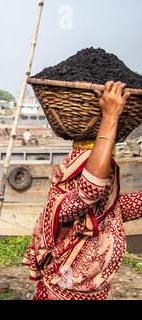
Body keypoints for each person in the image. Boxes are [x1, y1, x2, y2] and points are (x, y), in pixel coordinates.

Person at [23, 81, 142, 300]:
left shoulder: (99, 208)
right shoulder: (61, 206)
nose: (105, 182)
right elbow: (91, 189)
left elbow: (117, 210)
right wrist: (110, 117)